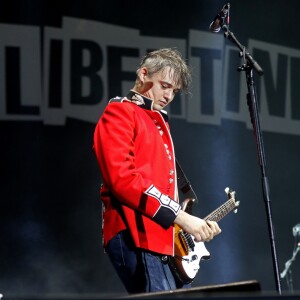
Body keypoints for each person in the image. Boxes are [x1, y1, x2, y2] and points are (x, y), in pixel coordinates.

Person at [93, 48, 221, 294]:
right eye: (165, 86)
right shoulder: (120, 111)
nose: (169, 96)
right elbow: (123, 179)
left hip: (161, 237)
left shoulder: (155, 121)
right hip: (135, 231)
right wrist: (182, 218)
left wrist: (185, 223)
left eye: (174, 91)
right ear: (143, 74)